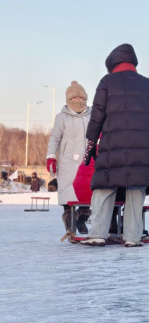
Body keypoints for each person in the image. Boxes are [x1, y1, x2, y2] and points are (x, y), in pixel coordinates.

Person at [80, 44, 149, 248]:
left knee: (105, 186)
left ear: (112, 64)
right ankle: (132, 237)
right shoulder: (148, 84)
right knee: (136, 188)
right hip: (145, 146)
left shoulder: (107, 81)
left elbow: (97, 115)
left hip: (114, 144)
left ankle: (97, 234)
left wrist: (91, 143)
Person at [47, 81, 92, 240]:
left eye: (81, 98)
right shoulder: (61, 117)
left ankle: (83, 218)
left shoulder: (92, 115)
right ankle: (70, 224)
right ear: (68, 99)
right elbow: (55, 138)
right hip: (67, 161)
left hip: (88, 161)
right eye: (74, 98)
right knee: (68, 191)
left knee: (87, 191)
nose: (78, 101)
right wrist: (51, 156)